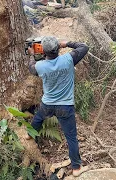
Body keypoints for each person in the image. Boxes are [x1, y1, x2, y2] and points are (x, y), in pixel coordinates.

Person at [26, 36, 89, 177]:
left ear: (43, 51)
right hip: (65, 106)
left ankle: (30, 134)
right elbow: (84, 47)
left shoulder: (40, 66)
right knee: (71, 137)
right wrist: (65, 43)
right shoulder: (68, 59)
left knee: (38, 118)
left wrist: (32, 55)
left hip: (47, 104)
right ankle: (76, 168)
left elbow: (31, 68)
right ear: (57, 48)